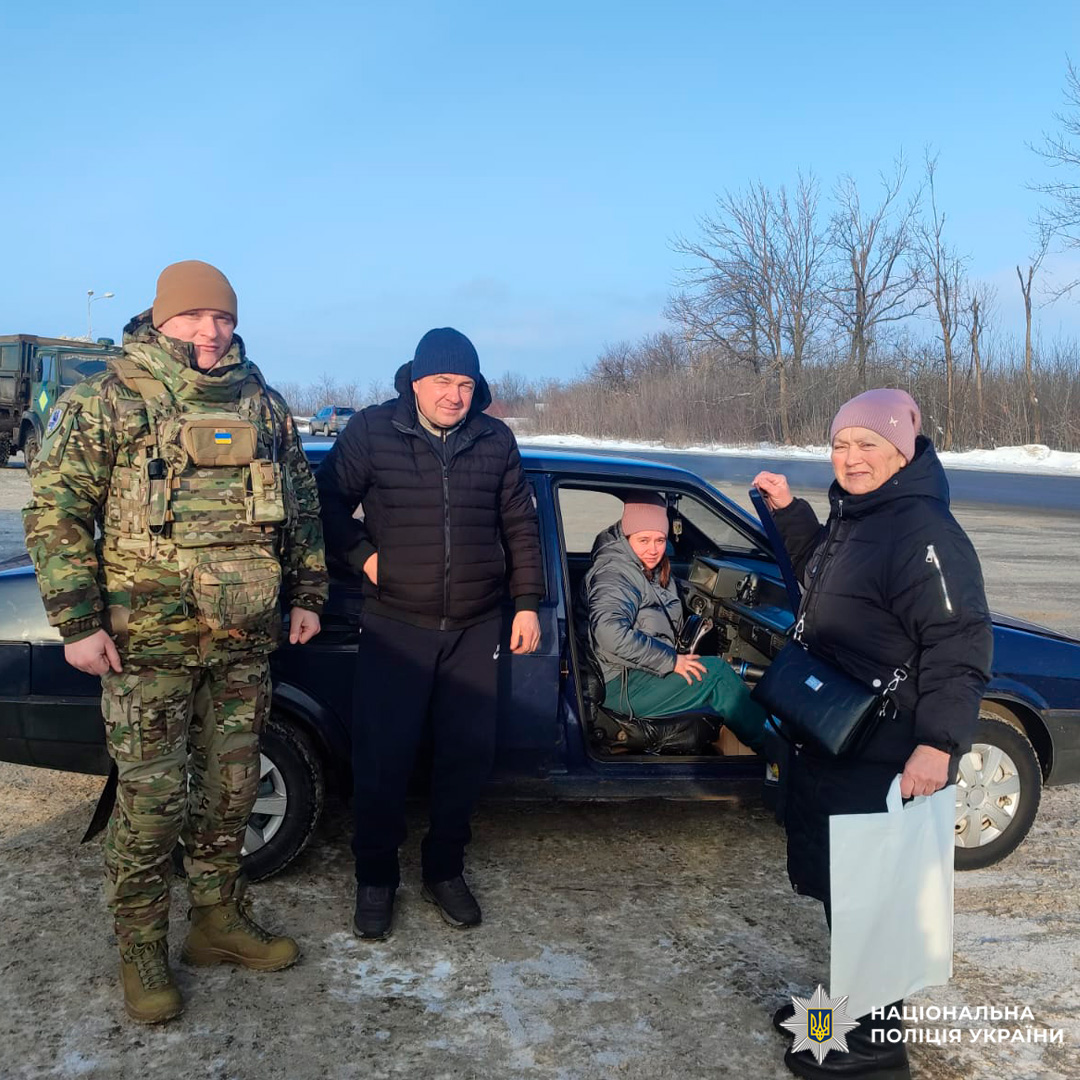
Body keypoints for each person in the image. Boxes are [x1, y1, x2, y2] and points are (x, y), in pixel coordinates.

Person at [23, 261, 328, 1024]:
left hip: (240, 641)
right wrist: (79, 623)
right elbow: (57, 512)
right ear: (162, 319)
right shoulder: (109, 397)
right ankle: (142, 946)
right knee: (152, 801)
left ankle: (217, 923)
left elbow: (301, 505)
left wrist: (309, 594)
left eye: (222, 318)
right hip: (144, 645)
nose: (210, 331)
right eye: (193, 317)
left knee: (230, 793)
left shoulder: (262, 401)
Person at [753, 388, 992, 1080]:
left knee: (872, 902)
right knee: (843, 893)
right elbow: (826, 584)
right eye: (842, 444)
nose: (852, 459)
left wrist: (938, 744)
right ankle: (838, 1013)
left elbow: (960, 641)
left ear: (902, 451)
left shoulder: (924, 530)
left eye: (869, 446)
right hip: (838, 742)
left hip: (886, 750)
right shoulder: (858, 517)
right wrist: (791, 514)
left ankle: (878, 1050)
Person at [316, 326, 543, 940]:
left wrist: (526, 602)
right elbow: (326, 502)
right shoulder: (372, 430)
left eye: (466, 384)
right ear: (416, 381)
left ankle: (444, 869)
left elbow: (520, 524)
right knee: (383, 758)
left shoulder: (495, 439)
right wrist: (363, 554)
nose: (455, 395)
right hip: (397, 625)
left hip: (475, 626)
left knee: (465, 757)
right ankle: (376, 878)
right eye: (443, 382)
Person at [583, 494, 767, 753]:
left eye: (660, 540)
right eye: (643, 540)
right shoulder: (615, 573)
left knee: (712, 670)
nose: (653, 549)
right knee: (716, 675)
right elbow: (609, 632)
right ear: (626, 537)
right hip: (620, 684)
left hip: (637, 672)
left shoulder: (649, 568)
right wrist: (671, 661)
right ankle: (782, 754)